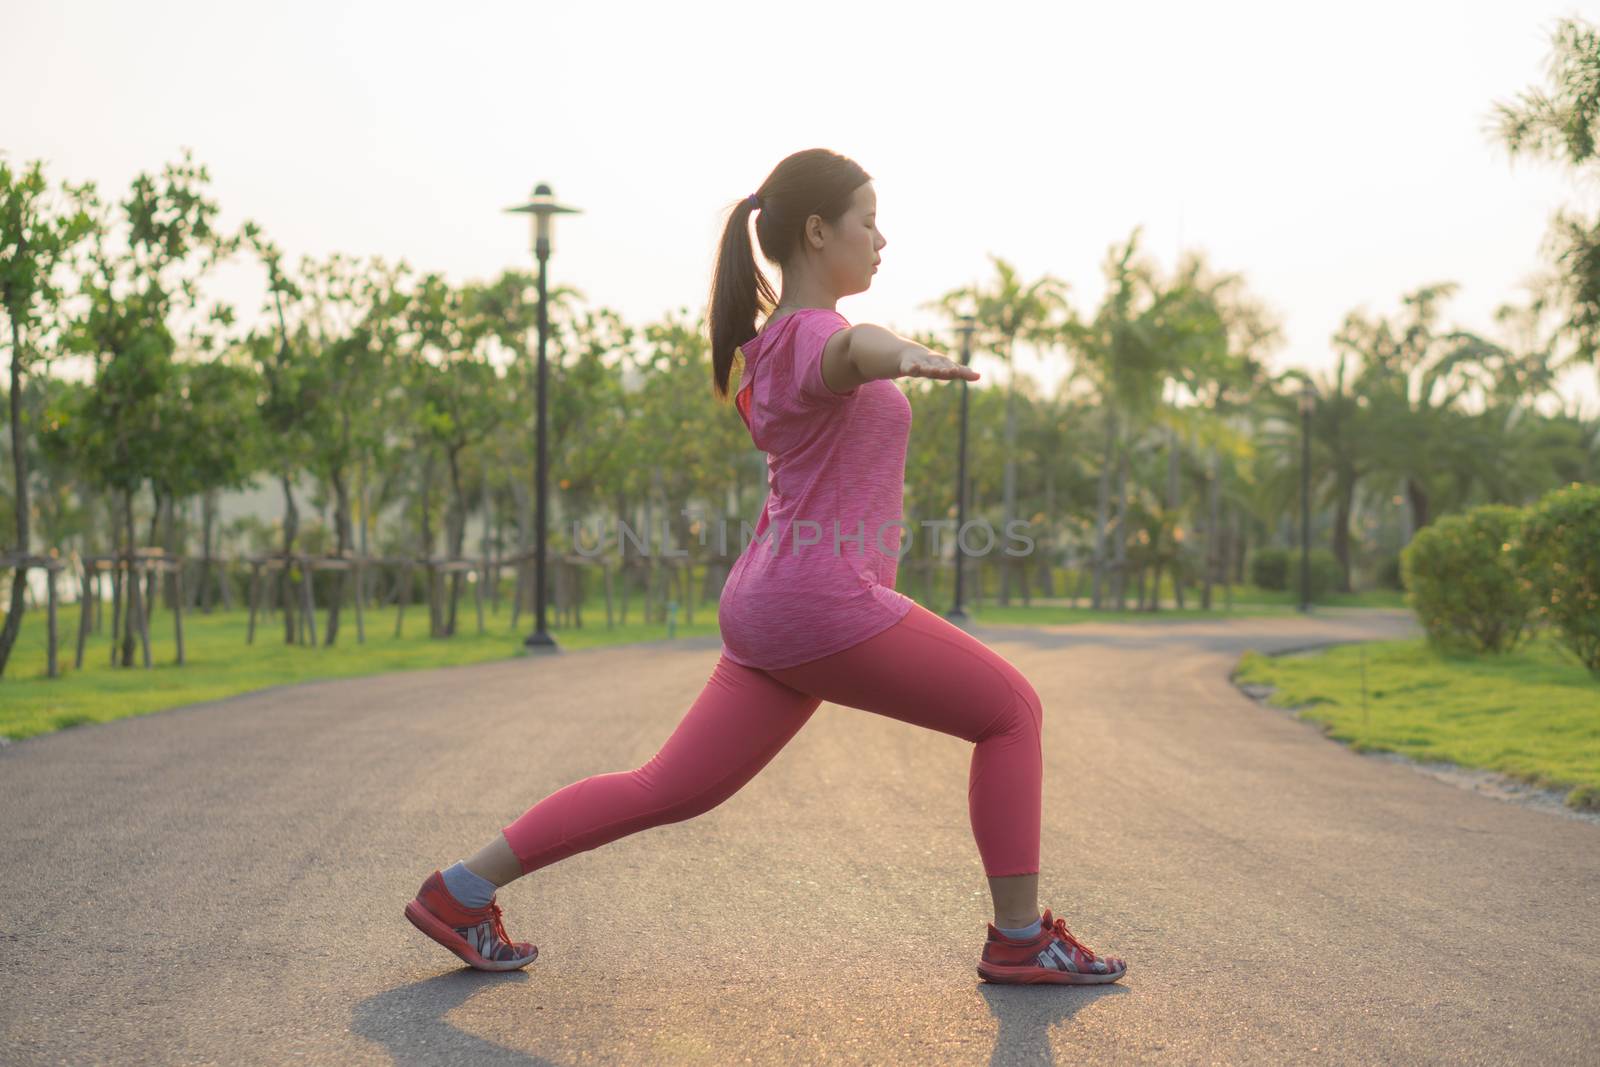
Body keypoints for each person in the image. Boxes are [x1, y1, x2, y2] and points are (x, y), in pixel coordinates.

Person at [405, 147, 1128, 985]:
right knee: (1012, 711)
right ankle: (1019, 937)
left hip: (771, 601)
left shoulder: (768, 347)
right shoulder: (817, 339)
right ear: (818, 231)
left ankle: (459, 890)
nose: (882, 238)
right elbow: (856, 347)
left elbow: (840, 370)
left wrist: (886, 355)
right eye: (867, 221)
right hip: (822, 601)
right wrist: (904, 354)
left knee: (667, 786)